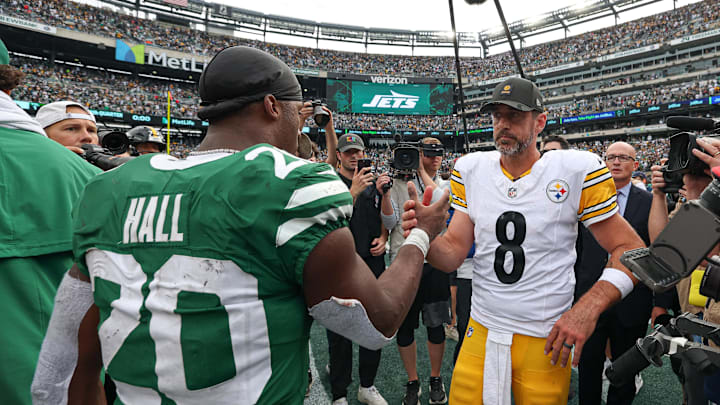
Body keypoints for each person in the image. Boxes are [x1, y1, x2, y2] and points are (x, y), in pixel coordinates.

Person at [33, 46, 449, 404]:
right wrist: (421, 234)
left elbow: (60, 363)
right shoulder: (288, 183)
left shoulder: (108, 188)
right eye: (295, 112)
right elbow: (376, 323)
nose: (299, 124)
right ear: (272, 107)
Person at [403, 77, 646, 404]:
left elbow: (631, 248)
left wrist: (588, 307)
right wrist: (425, 236)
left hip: (543, 334)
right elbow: (453, 252)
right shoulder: (471, 169)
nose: (503, 124)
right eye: (497, 116)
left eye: (515, 115)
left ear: (540, 121)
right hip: (483, 326)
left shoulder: (575, 168)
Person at [0, 40, 100, 405]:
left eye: (91, 130)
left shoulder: (94, 177)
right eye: (71, 129)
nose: (87, 139)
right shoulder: (85, 179)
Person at [575, 141, 657, 405]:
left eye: (623, 157)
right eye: (610, 157)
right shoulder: (586, 200)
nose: (616, 162)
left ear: (635, 164)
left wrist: (660, 302)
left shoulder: (650, 202)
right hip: (590, 296)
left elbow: (656, 251)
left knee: (625, 370)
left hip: (632, 299)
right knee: (588, 368)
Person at [327, 134, 394, 405]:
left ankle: (367, 385)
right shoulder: (331, 182)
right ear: (340, 156)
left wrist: (384, 237)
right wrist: (352, 192)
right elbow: (330, 221)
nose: (354, 157)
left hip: (372, 263)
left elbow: (384, 219)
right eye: (348, 152)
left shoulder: (373, 183)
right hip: (341, 263)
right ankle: (339, 392)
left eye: (358, 152)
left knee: (372, 325)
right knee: (340, 330)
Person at [388, 137, 451, 405]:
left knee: (436, 325)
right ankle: (413, 380)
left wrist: (422, 174)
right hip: (404, 260)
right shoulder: (393, 183)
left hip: (433, 263)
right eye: (426, 154)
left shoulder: (445, 184)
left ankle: (435, 378)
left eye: (438, 154)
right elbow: (389, 220)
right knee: (405, 329)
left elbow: (440, 199)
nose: (433, 158)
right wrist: (385, 190)